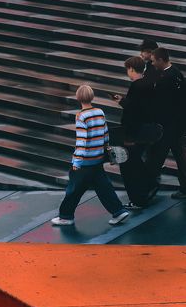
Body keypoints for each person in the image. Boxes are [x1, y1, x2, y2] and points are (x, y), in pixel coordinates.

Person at [51, 85, 131, 227]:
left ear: (78, 98)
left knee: (73, 190)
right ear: (92, 97)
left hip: (85, 161)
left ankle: (65, 216)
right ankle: (118, 211)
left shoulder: (81, 116)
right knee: (103, 187)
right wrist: (107, 149)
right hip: (97, 158)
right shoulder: (99, 112)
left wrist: (76, 161)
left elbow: (82, 141)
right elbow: (106, 132)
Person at [144, 47, 186, 199]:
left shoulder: (165, 79)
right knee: (181, 156)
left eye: (154, 61)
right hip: (179, 125)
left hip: (168, 127)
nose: (153, 64)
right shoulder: (176, 73)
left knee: (156, 157)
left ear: (161, 60)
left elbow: (160, 105)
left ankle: (146, 188)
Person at [114, 56, 160, 208]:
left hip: (135, 132)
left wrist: (128, 137)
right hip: (147, 130)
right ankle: (149, 185)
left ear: (132, 69)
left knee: (129, 165)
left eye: (128, 69)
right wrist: (123, 101)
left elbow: (133, 112)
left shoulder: (136, 86)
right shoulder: (149, 84)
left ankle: (138, 198)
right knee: (137, 162)